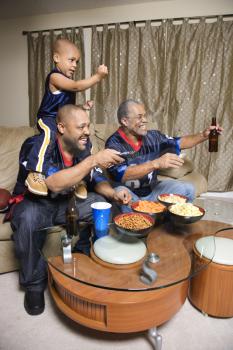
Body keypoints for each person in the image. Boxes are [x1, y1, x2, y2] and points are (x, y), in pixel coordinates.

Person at [10, 104, 131, 316]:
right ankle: (34, 284)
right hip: (36, 203)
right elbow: (54, 183)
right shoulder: (38, 144)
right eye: (81, 126)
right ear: (62, 127)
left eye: (88, 126)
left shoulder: (83, 148)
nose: (87, 131)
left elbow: (96, 178)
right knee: (28, 218)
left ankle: (83, 256)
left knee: (103, 204)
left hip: (68, 202)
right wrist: (94, 159)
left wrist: (113, 194)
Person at [105, 99, 223, 212]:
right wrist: (156, 163)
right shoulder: (114, 144)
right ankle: (140, 220)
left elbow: (179, 142)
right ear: (125, 121)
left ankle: (173, 224)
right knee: (122, 195)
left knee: (188, 189)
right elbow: (122, 175)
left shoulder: (153, 137)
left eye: (145, 116)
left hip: (153, 191)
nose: (145, 120)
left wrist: (203, 135)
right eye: (139, 117)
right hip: (130, 194)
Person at [25, 38, 108, 197]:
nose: (75, 65)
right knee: (49, 134)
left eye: (77, 61)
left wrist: (81, 108)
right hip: (49, 117)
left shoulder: (66, 81)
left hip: (63, 119)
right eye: (71, 60)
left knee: (83, 138)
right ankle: (36, 173)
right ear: (56, 58)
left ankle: (81, 178)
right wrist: (97, 77)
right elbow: (77, 86)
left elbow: (67, 109)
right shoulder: (55, 77)